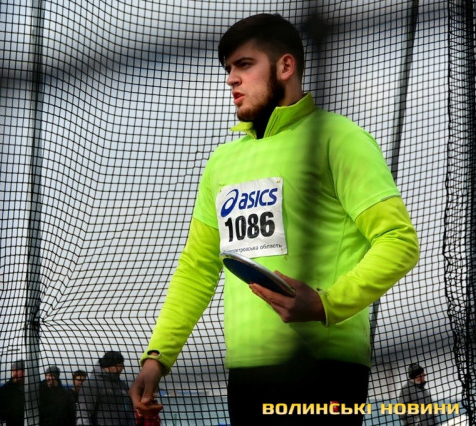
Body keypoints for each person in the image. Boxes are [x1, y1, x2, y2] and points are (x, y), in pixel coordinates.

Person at [129, 12, 419, 426]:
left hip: (325, 369)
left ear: (285, 66)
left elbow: (398, 241)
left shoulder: (338, 137)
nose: (231, 79)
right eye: (228, 69)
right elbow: (197, 268)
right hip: (245, 376)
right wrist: (157, 358)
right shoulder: (222, 162)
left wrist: (325, 303)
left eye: (244, 65)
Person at [76, 351, 134, 425]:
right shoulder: (91, 384)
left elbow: (129, 411)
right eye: (120, 365)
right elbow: (84, 413)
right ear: (110, 365)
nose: (122, 368)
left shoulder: (122, 385)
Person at [0, 359, 26, 426]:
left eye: (17, 370)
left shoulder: (31, 387)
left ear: (24, 372)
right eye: (13, 370)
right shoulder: (5, 390)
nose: (14, 374)